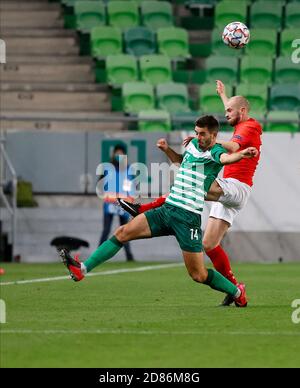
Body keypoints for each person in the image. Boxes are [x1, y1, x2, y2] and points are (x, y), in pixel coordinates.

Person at [59, 115, 258, 308]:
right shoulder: (193, 145)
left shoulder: (214, 151)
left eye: (203, 134)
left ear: (214, 136)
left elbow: (226, 158)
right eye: (197, 133)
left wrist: (241, 154)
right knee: (122, 233)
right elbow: (181, 161)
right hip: (167, 210)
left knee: (198, 275)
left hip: (187, 218)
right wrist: (166, 149)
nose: (199, 137)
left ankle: (237, 292)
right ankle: (82, 269)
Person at [119, 80, 263, 306]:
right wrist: (223, 95)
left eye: (229, 110)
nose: (226, 114)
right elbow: (234, 109)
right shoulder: (240, 120)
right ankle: (234, 287)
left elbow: (234, 148)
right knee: (209, 245)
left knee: (190, 185)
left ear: (242, 112)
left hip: (236, 187)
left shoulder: (248, 127)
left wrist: (202, 141)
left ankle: (142, 208)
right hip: (227, 189)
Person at [98, 144, 134, 262]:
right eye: (117, 153)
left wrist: (129, 200)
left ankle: (129, 256)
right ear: (113, 154)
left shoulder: (128, 169)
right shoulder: (107, 168)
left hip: (122, 204)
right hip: (110, 203)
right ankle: (98, 254)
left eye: (121, 153)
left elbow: (131, 186)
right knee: (106, 230)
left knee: (125, 231)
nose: (118, 155)